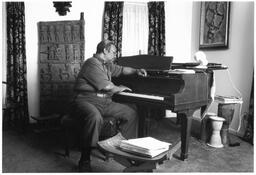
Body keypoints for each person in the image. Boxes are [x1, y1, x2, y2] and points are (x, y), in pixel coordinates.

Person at [71, 40, 147, 172]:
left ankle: (121, 149)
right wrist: (120, 88)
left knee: (131, 113)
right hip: (86, 100)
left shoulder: (106, 65)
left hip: (104, 102)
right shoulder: (91, 63)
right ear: (105, 51)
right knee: (94, 117)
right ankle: (85, 159)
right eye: (113, 52)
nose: (115, 55)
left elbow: (122, 70)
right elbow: (107, 86)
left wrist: (136, 70)